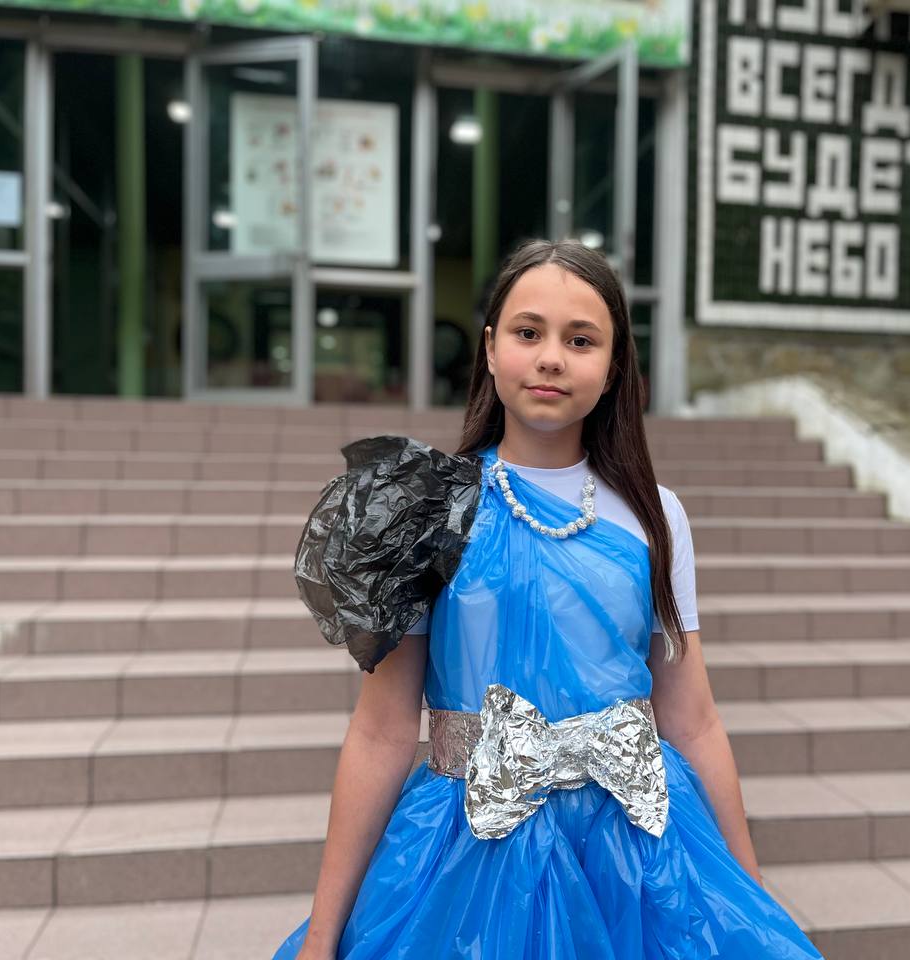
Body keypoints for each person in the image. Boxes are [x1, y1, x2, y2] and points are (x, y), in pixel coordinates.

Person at [274, 239, 826, 959]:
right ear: (490, 348)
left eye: (581, 340)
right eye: (528, 332)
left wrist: (749, 900)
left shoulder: (656, 517)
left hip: (636, 855)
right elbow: (381, 732)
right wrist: (322, 938)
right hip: (469, 853)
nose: (551, 358)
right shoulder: (425, 509)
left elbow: (694, 722)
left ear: (615, 366)